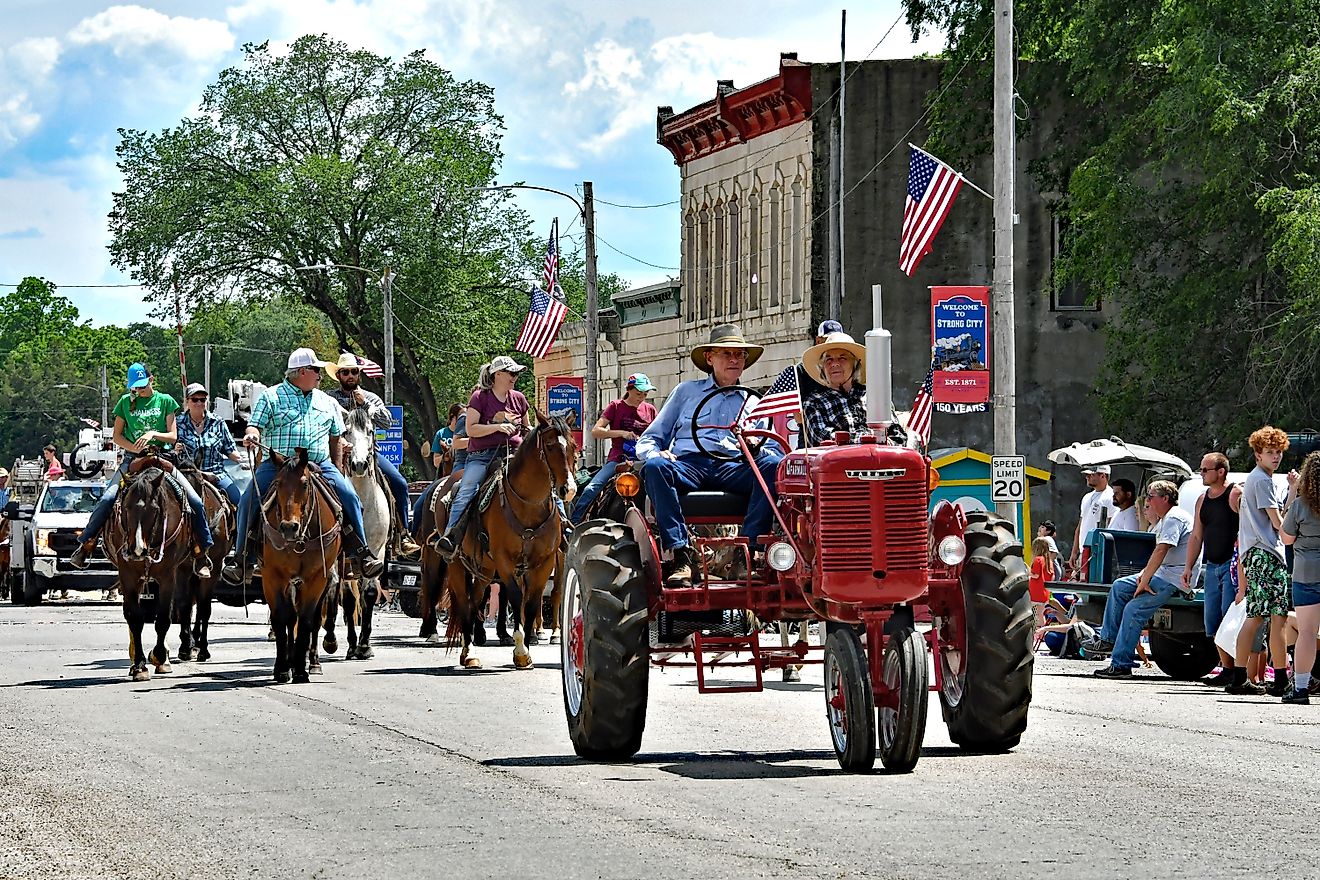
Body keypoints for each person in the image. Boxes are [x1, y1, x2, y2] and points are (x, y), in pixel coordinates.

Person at [637, 323, 784, 587]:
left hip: (734, 467)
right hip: (689, 465)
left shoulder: (753, 402)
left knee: (773, 464)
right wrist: (658, 453)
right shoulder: (686, 392)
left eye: (739, 355)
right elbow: (650, 438)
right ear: (709, 358)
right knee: (655, 466)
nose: (733, 359)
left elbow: (772, 448)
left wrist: (755, 446)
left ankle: (746, 554)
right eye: (726, 353)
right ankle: (681, 554)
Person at [221, 349, 385, 584]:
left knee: (350, 496)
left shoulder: (326, 401)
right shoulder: (271, 396)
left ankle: (361, 554)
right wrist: (251, 435)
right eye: (316, 370)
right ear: (301, 372)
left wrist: (337, 470)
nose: (320, 376)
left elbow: (336, 439)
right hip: (279, 464)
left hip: (318, 464)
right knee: (249, 499)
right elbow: (255, 426)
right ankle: (242, 558)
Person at [69, 363, 214, 576]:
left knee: (195, 500)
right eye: (136, 386)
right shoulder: (125, 403)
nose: (139, 389)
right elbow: (117, 436)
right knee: (108, 498)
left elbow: (173, 437)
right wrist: (134, 447)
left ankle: (201, 552)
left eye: (143, 384)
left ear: (151, 379)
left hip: (162, 458)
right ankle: (86, 544)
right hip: (133, 460)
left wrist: (153, 434)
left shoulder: (165, 401)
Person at [1085, 480, 1197, 678]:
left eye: (1151, 497)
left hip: (1174, 578)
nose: (1148, 501)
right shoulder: (1164, 520)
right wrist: (1144, 575)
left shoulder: (1174, 518)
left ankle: (1121, 665)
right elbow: (1158, 553)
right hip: (1163, 573)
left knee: (1133, 610)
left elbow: (1163, 549)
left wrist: (1145, 580)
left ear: (1165, 499)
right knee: (1119, 586)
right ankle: (1108, 639)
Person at [435, 356, 533, 560]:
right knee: (467, 489)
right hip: (481, 456)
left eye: (516, 374)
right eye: (511, 373)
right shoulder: (479, 398)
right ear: (498, 375)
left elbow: (527, 428)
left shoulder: (519, 398)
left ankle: (563, 527)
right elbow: (471, 429)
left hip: (513, 454)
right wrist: (497, 427)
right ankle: (450, 536)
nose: (514, 377)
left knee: (543, 482)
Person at [327, 353, 421, 557]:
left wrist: (365, 405)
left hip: (370, 454)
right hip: (335, 455)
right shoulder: (330, 399)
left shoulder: (370, 397)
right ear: (339, 376)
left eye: (354, 371)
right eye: (345, 372)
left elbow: (387, 422)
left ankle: (403, 534)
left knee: (399, 483)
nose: (350, 375)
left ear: (359, 374)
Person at [1227, 426, 1297, 696]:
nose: (1275, 457)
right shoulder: (1262, 481)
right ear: (1257, 454)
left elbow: (1277, 516)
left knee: (1260, 617)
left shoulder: (1258, 479)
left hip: (1256, 553)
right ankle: (1275, 678)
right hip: (1266, 553)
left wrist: (1291, 492)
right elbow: (1280, 524)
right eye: (1269, 452)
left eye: (1278, 452)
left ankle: (1243, 676)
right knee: (1271, 618)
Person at [1182, 452, 1243, 686]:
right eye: (1201, 469)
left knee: (1231, 619)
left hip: (1231, 566)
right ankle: (1226, 667)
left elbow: (1247, 529)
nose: (1201, 474)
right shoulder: (1202, 499)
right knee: (1212, 621)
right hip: (1211, 566)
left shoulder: (1235, 494)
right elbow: (1197, 535)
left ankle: (1235, 670)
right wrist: (1189, 566)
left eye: (1205, 470)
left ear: (1221, 472)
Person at [570, 373, 657, 523]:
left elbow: (659, 432)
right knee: (592, 488)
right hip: (618, 459)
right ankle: (574, 523)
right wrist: (621, 433)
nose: (641, 397)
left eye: (645, 394)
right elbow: (596, 431)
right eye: (638, 393)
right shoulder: (616, 406)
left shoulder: (650, 409)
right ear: (629, 389)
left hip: (644, 459)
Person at [1279, 450, 1320, 703]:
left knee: (1306, 632)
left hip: (1306, 573)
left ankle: (1301, 689)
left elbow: (1286, 538)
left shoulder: (1300, 505)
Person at [175, 382, 247, 507]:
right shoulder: (177, 423)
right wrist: (175, 450)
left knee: (239, 502)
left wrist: (244, 460)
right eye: (195, 399)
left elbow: (230, 450)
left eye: (202, 400)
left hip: (216, 474)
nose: (199, 403)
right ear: (187, 402)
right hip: (187, 476)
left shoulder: (218, 422)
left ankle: (242, 526)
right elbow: (169, 449)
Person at [800, 330, 867, 445]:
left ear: (855, 364)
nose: (834, 364)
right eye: (829, 359)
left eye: (842, 358)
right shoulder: (814, 402)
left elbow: (898, 436)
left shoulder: (874, 395)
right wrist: (870, 440)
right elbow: (822, 439)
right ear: (823, 368)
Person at [1069, 465, 1116, 579]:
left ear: (1103, 475)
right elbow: (1080, 524)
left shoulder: (1110, 496)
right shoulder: (1086, 497)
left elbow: (1111, 525)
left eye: (1091, 475)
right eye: (1087, 475)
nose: (1087, 477)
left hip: (1096, 551)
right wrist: (1074, 551)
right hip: (1083, 550)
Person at [431, 404, 462, 470]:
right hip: (445, 471)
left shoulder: (468, 434)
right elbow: (436, 462)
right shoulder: (441, 434)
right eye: (460, 417)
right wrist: (448, 455)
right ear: (452, 417)